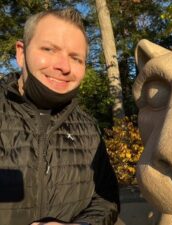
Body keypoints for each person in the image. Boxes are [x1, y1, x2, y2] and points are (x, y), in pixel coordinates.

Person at [0, 8, 119, 225]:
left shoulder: (89, 130)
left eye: (76, 58)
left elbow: (105, 201)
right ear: (21, 53)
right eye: (48, 49)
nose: (63, 66)